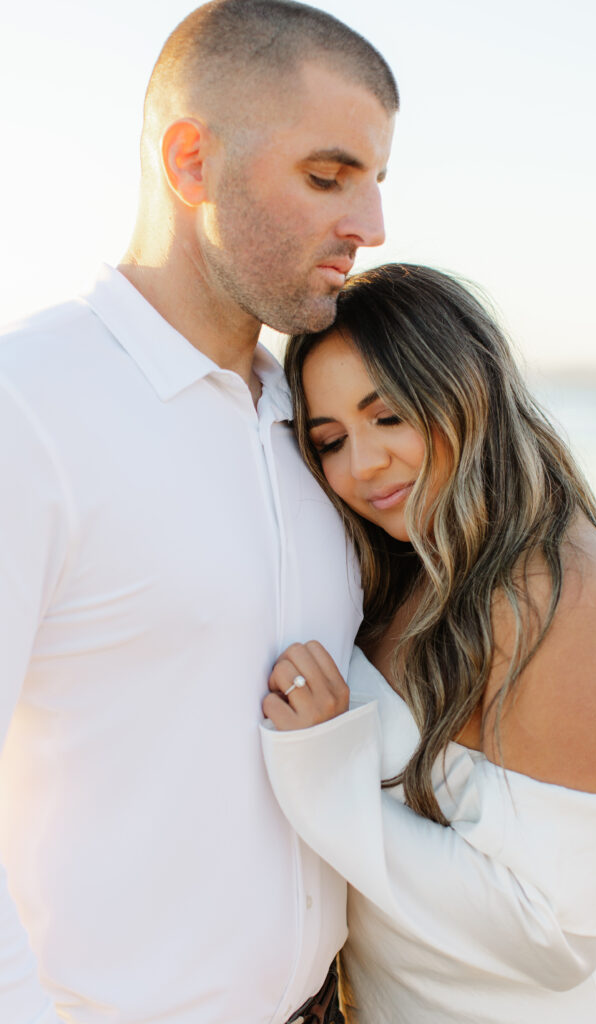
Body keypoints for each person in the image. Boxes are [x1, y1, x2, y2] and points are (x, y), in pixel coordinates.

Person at [0, 3, 397, 1022]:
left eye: (376, 182)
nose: (371, 228)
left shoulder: (320, 427)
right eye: (326, 177)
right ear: (189, 162)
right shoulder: (28, 406)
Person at [261, 263, 596, 1023]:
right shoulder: (411, 567)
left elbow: (558, 934)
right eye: (329, 441)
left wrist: (326, 773)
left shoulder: (556, 592)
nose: (361, 467)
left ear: (467, 391)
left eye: (387, 417)